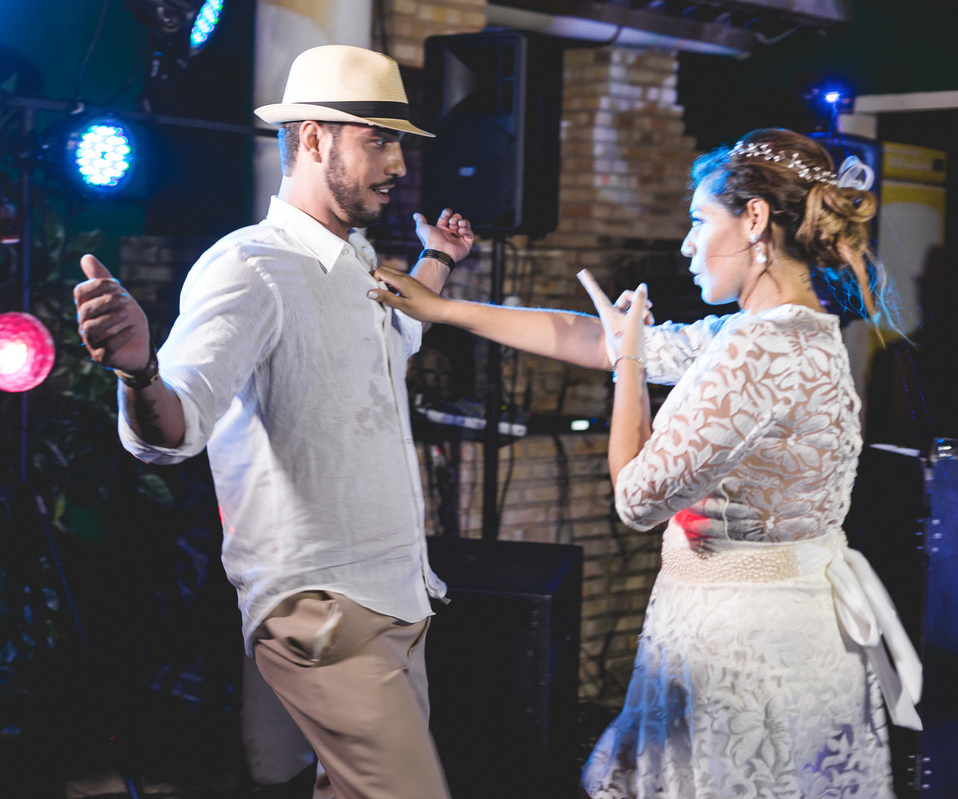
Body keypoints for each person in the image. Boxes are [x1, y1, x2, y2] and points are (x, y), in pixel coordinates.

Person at [368, 128, 922, 799]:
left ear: (754, 220)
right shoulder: (786, 331)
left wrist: (629, 360)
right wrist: (447, 308)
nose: (687, 244)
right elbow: (595, 339)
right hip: (792, 627)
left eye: (697, 221)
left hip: (741, 647)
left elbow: (635, 496)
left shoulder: (754, 351)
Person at [73, 44, 474, 799]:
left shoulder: (356, 261)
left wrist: (438, 260)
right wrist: (136, 369)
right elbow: (174, 425)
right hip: (323, 602)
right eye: (378, 140)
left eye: (398, 143)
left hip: (395, 591)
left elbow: (400, 333)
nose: (397, 166)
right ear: (315, 138)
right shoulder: (249, 267)